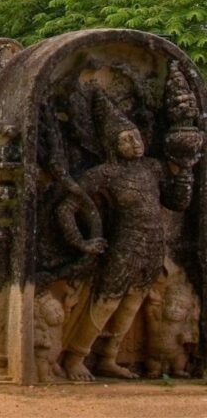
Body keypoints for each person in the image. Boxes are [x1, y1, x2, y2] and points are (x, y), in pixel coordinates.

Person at [57, 93, 200, 381]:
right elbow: (66, 207)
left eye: (136, 137)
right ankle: (75, 357)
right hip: (124, 245)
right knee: (106, 302)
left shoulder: (153, 168)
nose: (135, 144)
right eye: (126, 139)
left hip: (153, 246)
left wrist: (185, 176)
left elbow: (175, 202)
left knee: (133, 304)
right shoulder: (105, 174)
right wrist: (82, 242)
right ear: (113, 145)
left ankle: (108, 357)